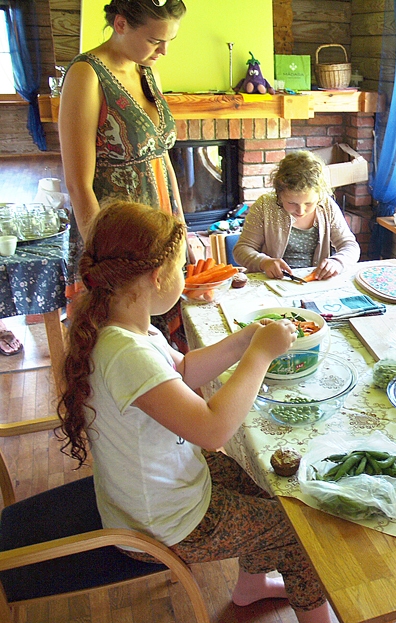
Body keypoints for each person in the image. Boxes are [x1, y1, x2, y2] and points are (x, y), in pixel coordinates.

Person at [56, 200, 332, 623]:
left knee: (259, 480)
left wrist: (244, 342)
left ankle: (252, 585)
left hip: (157, 492)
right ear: (156, 277)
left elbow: (182, 369)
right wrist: (259, 356)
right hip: (163, 523)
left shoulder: (124, 324)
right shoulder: (125, 353)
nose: (188, 277)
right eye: (183, 269)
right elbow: (213, 429)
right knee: (296, 531)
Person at [58, 0, 189, 340]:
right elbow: (78, 184)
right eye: (154, 40)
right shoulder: (87, 75)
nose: (164, 51)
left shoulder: (147, 70)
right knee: (121, 342)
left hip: (159, 221)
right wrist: (106, 264)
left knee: (159, 342)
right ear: (120, 25)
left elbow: (160, 155)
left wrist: (180, 226)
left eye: (170, 40)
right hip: (119, 236)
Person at [233, 150, 360, 279]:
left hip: (313, 281)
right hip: (273, 282)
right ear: (279, 195)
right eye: (292, 203)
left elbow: (350, 246)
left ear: (319, 195)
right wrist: (263, 262)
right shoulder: (264, 206)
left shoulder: (326, 205)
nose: (301, 211)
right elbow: (242, 249)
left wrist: (337, 262)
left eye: (309, 203)